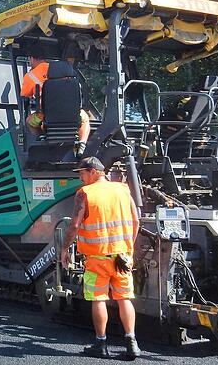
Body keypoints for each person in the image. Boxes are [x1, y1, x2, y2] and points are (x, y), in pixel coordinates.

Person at [60, 157, 141, 359]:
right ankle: (132, 343)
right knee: (125, 298)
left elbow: (75, 225)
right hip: (123, 256)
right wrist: (128, 247)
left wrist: (64, 249)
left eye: (82, 173)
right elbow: (136, 221)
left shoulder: (85, 194)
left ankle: (101, 343)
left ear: (94, 172)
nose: (80, 178)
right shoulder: (123, 189)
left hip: (97, 258)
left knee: (98, 300)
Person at [21, 47, 91, 157]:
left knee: (29, 122)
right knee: (85, 119)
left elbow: (25, 95)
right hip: (73, 114)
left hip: (44, 116)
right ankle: (82, 144)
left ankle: (42, 136)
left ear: (32, 58)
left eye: (29, 60)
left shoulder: (30, 76)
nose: (29, 63)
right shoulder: (61, 71)